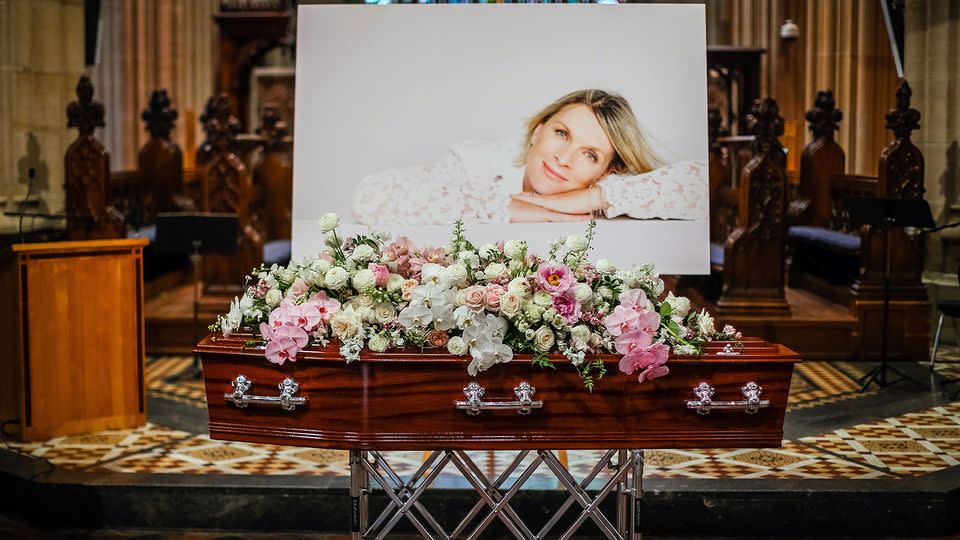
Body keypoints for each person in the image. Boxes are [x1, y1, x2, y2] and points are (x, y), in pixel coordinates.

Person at [351, 89, 707, 224]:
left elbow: (700, 184)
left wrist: (589, 199)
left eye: (589, 154)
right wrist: (511, 208)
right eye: (561, 133)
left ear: (606, 170)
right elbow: (370, 198)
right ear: (538, 130)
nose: (564, 158)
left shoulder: (611, 187)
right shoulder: (477, 160)